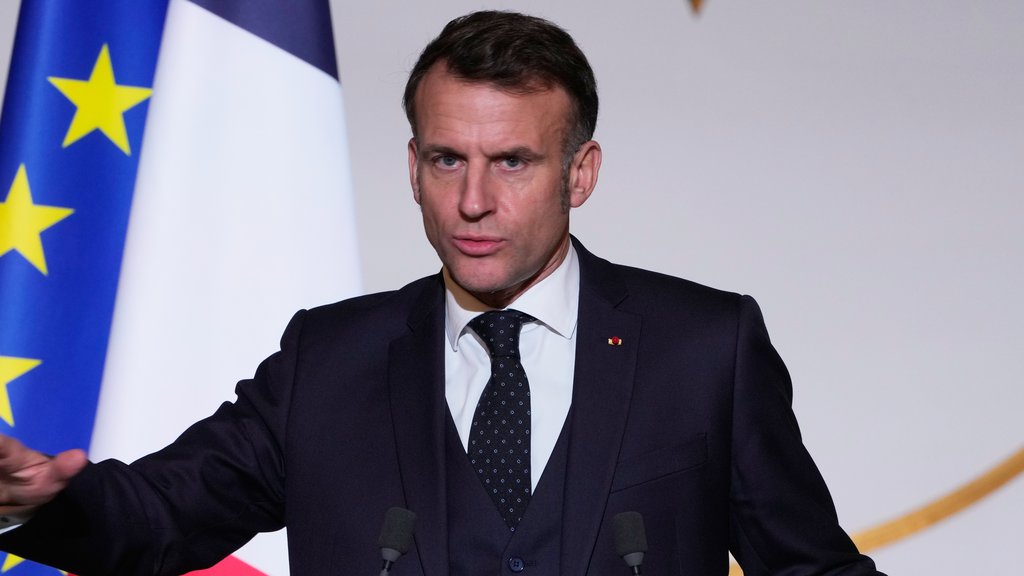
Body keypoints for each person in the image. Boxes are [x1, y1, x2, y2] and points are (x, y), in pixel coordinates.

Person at [0, 10, 885, 576]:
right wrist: (39, 503)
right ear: (413, 167)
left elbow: (810, 569)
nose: (473, 199)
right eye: (447, 159)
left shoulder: (704, 349)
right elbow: (159, 517)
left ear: (580, 173)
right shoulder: (327, 361)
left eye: (513, 162)